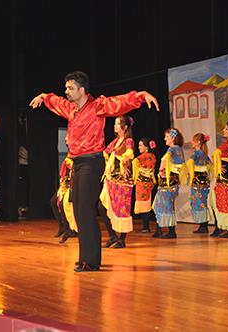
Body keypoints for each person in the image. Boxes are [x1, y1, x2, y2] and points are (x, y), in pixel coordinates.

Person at [29, 71, 159, 272]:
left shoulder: (97, 105)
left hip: (92, 161)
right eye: (66, 88)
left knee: (85, 210)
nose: (66, 91)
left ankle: (90, 261)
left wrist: (141, 96)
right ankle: (87, 257)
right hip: (78, 162)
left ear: (82, 90)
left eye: (70, 88)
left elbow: (120, 102)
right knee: (79, 209)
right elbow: (55, 101)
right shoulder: (71, 108)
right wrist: (43, 97)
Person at [98, 115, 135, 249]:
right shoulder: (114, 142)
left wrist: (124, 161)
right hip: (111, 179)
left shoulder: (128, 141)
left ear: (124, 127)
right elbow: (105, 152)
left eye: (117, 124)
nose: (114, 126)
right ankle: (113, 236)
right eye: (114, 124)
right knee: (102, 207)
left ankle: (122, 240)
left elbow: (130, 153)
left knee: (122, 208)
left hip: (122, 179)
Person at [152, 128, 186, 239]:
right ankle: (161, 229)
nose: (164, 138)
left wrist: (161, 169)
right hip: (171, 181)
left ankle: (170, 231)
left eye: (167, 136)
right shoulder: (179, 149)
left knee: (164, 204)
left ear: (172, 138)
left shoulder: (172, 149)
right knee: (162, 204)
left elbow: (164, 161)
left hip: (169, 181)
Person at [50, 153, 78, 243]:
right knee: (53, 202)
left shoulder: (78, 155)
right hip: (64, 185)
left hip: (72, 186)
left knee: (63, 205)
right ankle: (62, 227)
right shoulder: (69, 156)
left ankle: (68, 230)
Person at [187, 133, 211, 233]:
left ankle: (203, 226)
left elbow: (189, 167)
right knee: (202, 203)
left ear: (198, 142)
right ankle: (203, 225)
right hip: (204, 183)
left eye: (194, 140)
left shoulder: (196, 154)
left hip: (197, 183)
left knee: (199, 203)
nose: (192, 142)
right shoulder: (205, 155)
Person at [132, 138, 157, 233]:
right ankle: (145, 226)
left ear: (146, 147)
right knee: (146, 203)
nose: (138, 147)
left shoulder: (142, 157)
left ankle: (146, 227)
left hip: (142, 183)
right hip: (149, 182)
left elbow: (134, 162)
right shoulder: (153, 156)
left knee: (143, 203)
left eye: (140, 145)